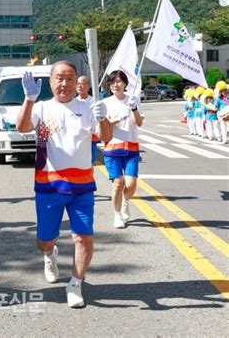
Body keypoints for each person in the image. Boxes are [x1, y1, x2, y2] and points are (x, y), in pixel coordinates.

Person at [16, 62, 111, 308]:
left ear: (76, 82)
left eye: (70, 78)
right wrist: (28, 99)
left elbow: (106, 137)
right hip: (49, 185)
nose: (65, 84)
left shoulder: (87, 107)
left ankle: (75, 283)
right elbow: (22, 127)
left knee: (84, 238)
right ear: (51, 82)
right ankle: (50, 254)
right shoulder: (41, 107)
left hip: (82, 187)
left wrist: (104, 117)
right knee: (45, 239)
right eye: (59, 78)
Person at [102, 70, 144, 229]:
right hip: (112, 148)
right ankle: (117, 215)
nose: (115, 85)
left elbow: (139, 123)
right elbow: (101, 127)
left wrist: (134, 109)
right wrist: (113, 121)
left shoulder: (133, 100)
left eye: (118, 82)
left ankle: (126, 201)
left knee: (131, 184)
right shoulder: (106, 103)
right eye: (112, 82)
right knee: (118, 184)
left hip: (131, 148)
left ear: (125, 84)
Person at [76, 75, 100, 164]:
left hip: (90, 138)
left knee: (89, 163)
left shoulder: (94, 102)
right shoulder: (73, 101)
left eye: (82, 84)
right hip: (77, 138)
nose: (79, 86)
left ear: (88, 86)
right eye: (77, 83)